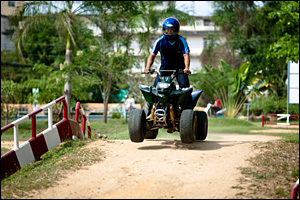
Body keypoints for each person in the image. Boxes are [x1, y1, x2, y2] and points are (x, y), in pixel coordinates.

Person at [144, 17, 192, 115]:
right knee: (154, 90)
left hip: (180, 68)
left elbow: (186, 55)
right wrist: (147, 67)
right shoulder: (160, 41)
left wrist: (186, 68)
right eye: (167, 29)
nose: (169, 31)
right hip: (165, 68)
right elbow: (152, 55)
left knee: (184, 89)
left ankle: (186, 113)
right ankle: (149, 114)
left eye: (171, 29)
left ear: (176, 30)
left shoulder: (181, 40)